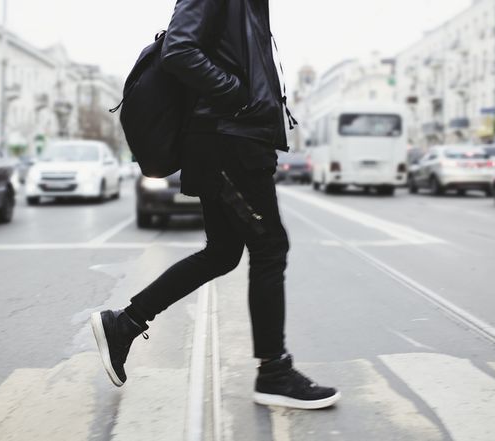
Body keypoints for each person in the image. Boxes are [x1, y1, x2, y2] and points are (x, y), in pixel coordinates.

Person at [90, 0, 340, 410]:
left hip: (234, 136)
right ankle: (273, 372)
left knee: (223, 253)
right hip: (229, 138)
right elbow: (179, 50)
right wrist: (239, 98)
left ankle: (125, 323)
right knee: (270, 248)